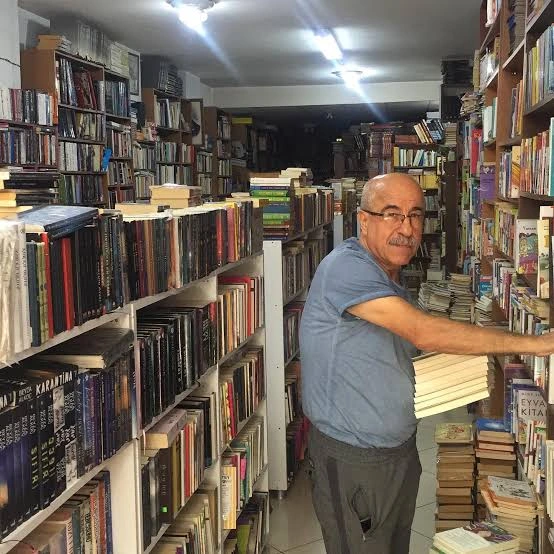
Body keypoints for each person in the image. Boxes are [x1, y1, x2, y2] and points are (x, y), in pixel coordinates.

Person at [299, 173, 554, 554]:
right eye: (392, 214)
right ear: (363, 220)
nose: (407, 229)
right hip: (354, 458)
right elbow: (421, 332)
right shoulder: (346, 268)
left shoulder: (384, 270)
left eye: (415, 215)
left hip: (396, 451)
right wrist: (536, 344)